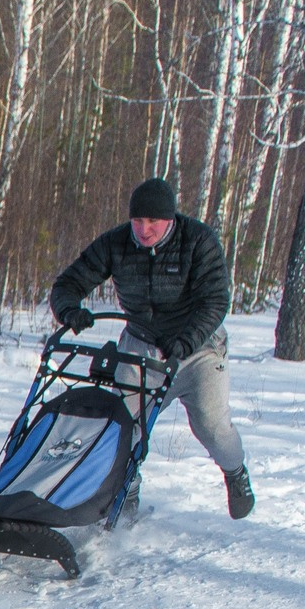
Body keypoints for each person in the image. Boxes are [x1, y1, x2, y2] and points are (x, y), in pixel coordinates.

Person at [49, 176, 253, 520]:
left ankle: (236, 473)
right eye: (137, 221)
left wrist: (186, 340)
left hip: (198, 348)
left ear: (170, 220)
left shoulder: (198, 240)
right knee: (125, 425)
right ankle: (126, 491)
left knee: (211, 425)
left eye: (153, 222)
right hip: (142, 344)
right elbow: (69, 282)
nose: (144, 230)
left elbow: (216, 301)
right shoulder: (116, 243)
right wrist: (69, 309)